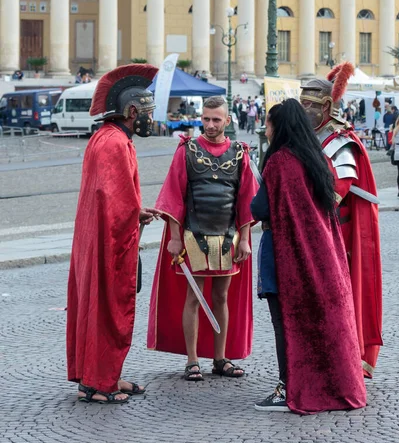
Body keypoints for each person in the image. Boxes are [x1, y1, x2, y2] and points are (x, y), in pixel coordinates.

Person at [251, 99, 366, 414]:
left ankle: (288, 387)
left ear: (280, 126)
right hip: (321, 256)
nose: (266, 128)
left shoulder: (280, 162)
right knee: (317, 323)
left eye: (269, 123)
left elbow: (259, 209)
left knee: (283, 324)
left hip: (284, 255)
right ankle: (323, 384)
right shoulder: (318, 158)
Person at [67, 64, 161, 404]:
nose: (150, 120)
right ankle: (99, 382)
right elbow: (113, 202)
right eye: (147, 113)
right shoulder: (115, 143)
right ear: (132, 111)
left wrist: (137, 212)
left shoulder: (107, 138)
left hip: (97, 240)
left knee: (97, 306)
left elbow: (113, 197)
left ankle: (104, 375)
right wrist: (133, 216)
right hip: (107, 245)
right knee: (107, 308)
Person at [147, 96, 259, 380]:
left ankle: (220, 359)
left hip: (227, 237)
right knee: (193, 298)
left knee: (221, 297)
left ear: (227, 121)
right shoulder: (187, 150)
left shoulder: (239, 152)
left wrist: (245, 238)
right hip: (193, 237)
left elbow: (246, 199)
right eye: (206, 119)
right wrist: (174, 238)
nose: (210, 125)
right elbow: (174, 195)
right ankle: (192, 360)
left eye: (216, 120)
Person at [300, 62, 383, 379]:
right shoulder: (312, 135)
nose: (304, 109)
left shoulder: (338, 139)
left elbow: (341, 184)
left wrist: (307, 208)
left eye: (310, 103)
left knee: (338, 298)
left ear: (325, 104)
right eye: (301, 102)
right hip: (317, 231)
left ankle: (343, 358)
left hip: (337, 234)